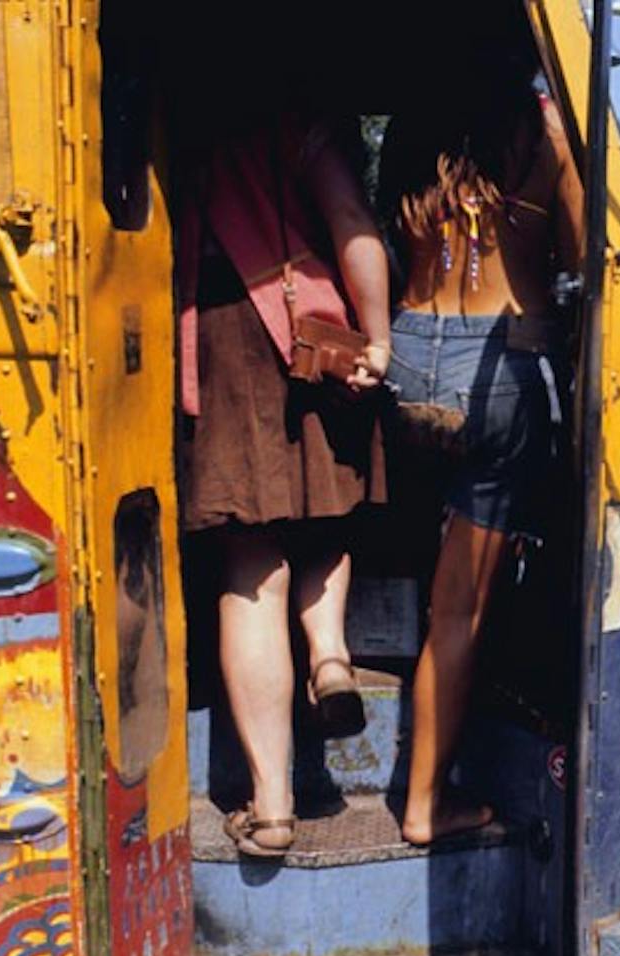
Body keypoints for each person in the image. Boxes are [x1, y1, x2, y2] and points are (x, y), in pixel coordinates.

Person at [378, 11, 584, 845]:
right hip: (503, 367)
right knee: (459, 611)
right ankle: (428, 803)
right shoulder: (546, 135)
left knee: (430, 573)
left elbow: (390, 238)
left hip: (410, 363)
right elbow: (583, 256)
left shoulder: (407, 134)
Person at [176, 111, 391, 857]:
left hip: (219, 335)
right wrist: (379, 334)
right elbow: (350, 219)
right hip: (310, 342)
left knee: (250, 562)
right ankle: (329, 656)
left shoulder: (183, 123)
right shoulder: (301, 118)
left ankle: (271, 807)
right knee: (326, 517)